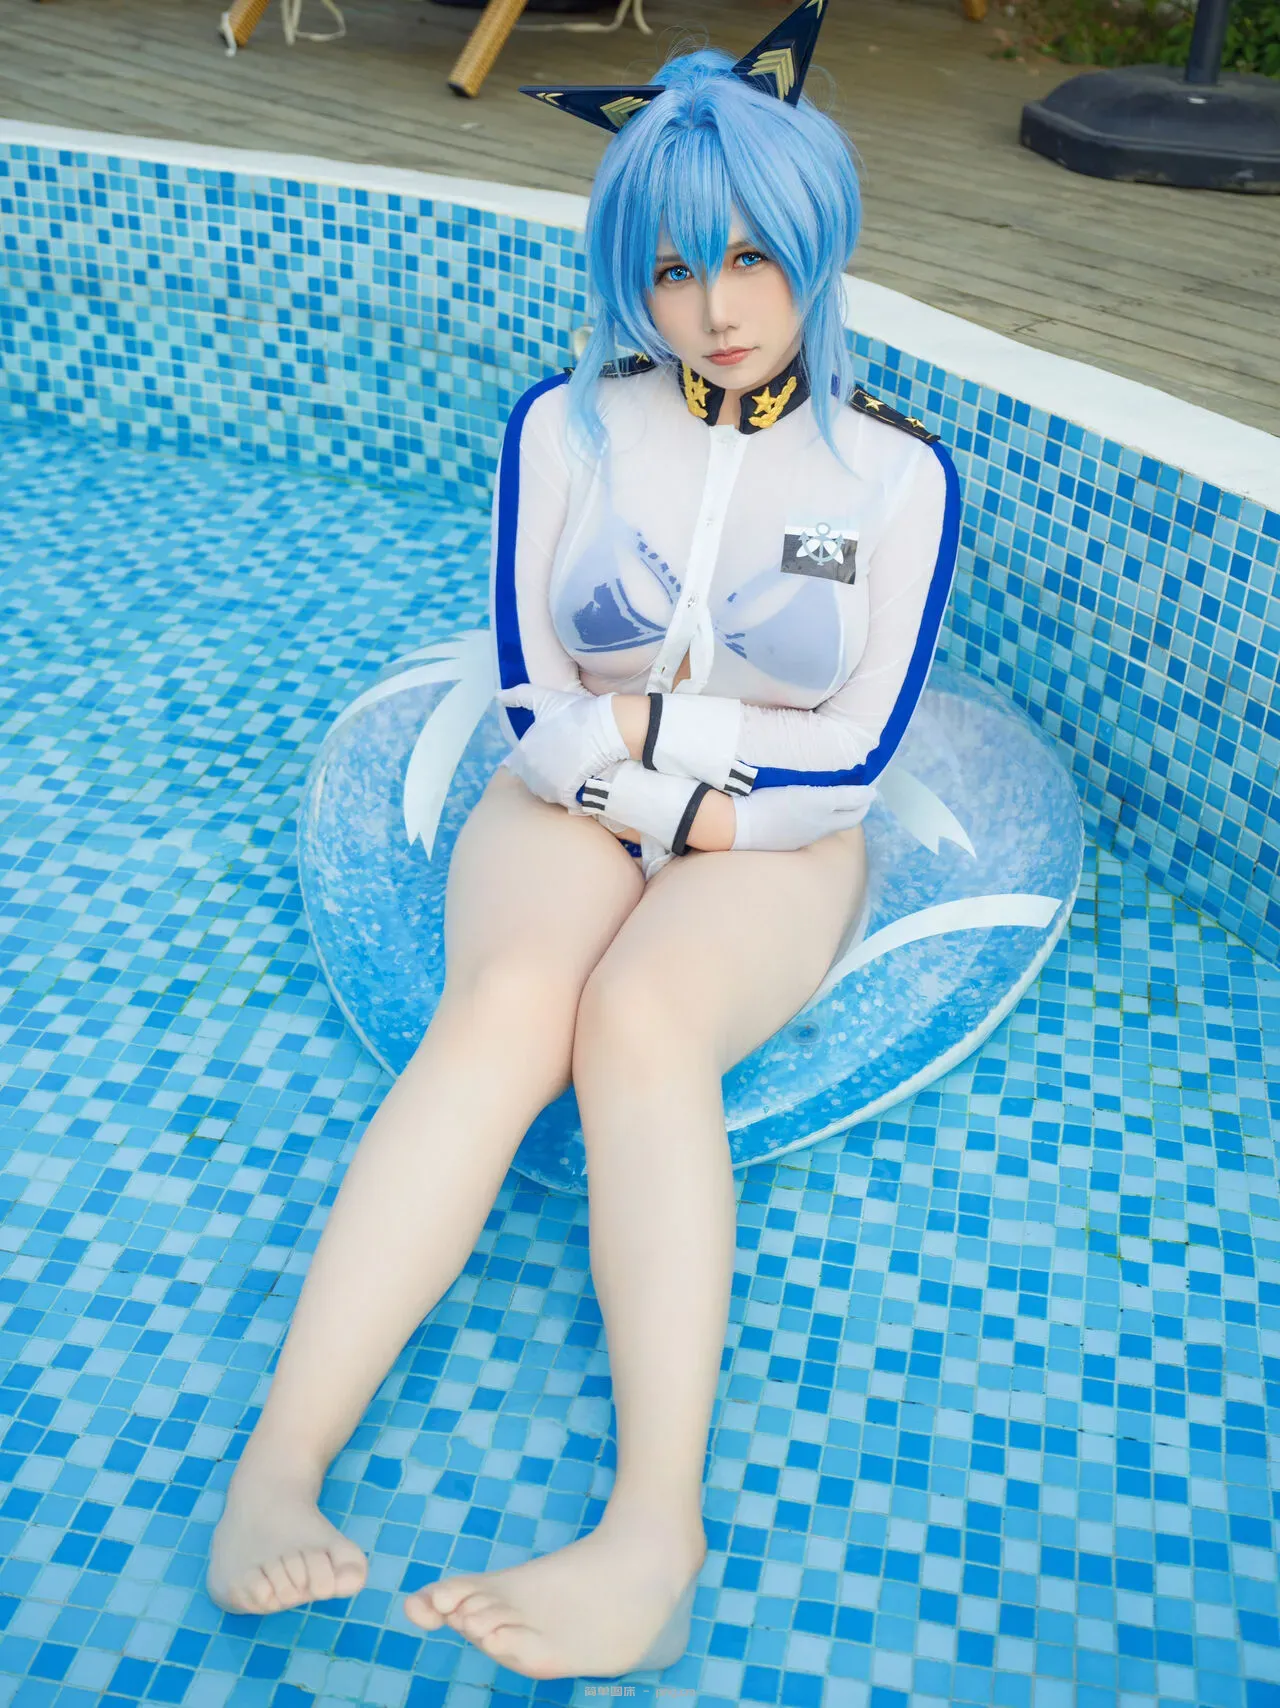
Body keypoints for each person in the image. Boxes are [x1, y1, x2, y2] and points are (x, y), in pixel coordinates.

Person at [206, 0, 960, 1681]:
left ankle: (650, 1538)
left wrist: (663, 769)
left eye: (753, 260)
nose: (718, 310)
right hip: (570, 799)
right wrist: (623, 770)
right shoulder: (565, 424)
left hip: (776, 836)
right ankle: (277, 1464)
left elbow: (852, 756)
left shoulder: (897, 475)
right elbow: (532, 700)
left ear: (817, 245)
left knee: (640, 1021)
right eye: (675, 271)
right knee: (506, 1011)